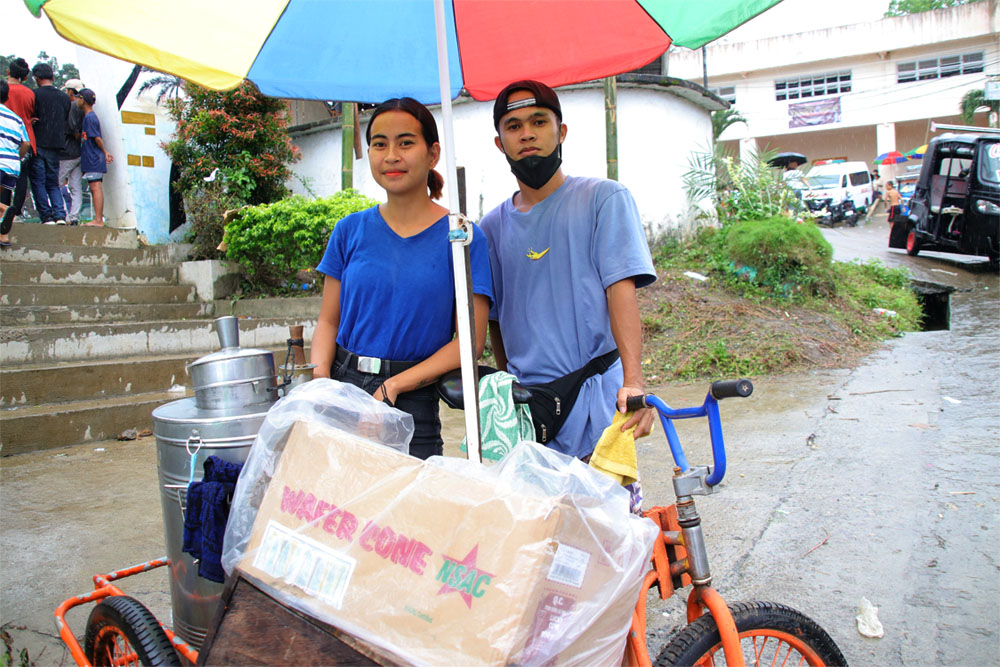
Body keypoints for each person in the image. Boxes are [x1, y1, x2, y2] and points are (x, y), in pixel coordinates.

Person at [481, 79, 656, 463]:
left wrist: (634, 382)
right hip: (528, 411)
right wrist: (506, 391)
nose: (527, 134)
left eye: (539, 122)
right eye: (513, 127)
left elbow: (620, 290)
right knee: (539, 522)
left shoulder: (603, 199)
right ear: (500, 143)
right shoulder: (489, 228)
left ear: (560, 132)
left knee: (608, 519)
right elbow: (495, 320)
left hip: (598, 402)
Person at [311, 97, 493, 460]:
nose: (391, 155)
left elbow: (469, 341)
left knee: (410, 511)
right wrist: (321, 388)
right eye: (380, 143)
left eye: (405, 142)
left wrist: (393, 387)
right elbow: (329, 321)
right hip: (343, 388)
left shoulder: (462, 237)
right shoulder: (349, 231)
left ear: (433, 153)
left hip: (413, 397)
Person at [29, 62, 71, 225]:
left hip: (38, 143)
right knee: (53, 182)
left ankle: (46, 216)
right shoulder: (64, 97)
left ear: (36, 78)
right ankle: (60, 215)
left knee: (38, 181)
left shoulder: (35, 95)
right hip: (56, 144)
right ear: (53, 77)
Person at [1, 58, 35, 232]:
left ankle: (5, 210)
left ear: (8, 72)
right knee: (21, 180)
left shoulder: (6, 91)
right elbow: (29, 115)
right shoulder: (29, 93)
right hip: (21, 142)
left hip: (3, 147)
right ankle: (17, 213)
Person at [76, 88, 113, 226]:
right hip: (91, 157)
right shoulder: (88, 117)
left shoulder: (90, 118)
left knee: (95, 186)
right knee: (93, 187)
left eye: (79, 98)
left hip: (93, 158)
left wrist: (104, 152)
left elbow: (96, 138)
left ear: (83, 100)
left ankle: (98, 219)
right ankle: (97, 219)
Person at [59, 79, 86, 225]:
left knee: (56, 184)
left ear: (70, 91)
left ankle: (62, 215)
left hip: (67, 153)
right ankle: (74, 217)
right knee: (75, 186)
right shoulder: (83, 106)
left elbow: (72, 129)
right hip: (79, 152)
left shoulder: (71, 106)